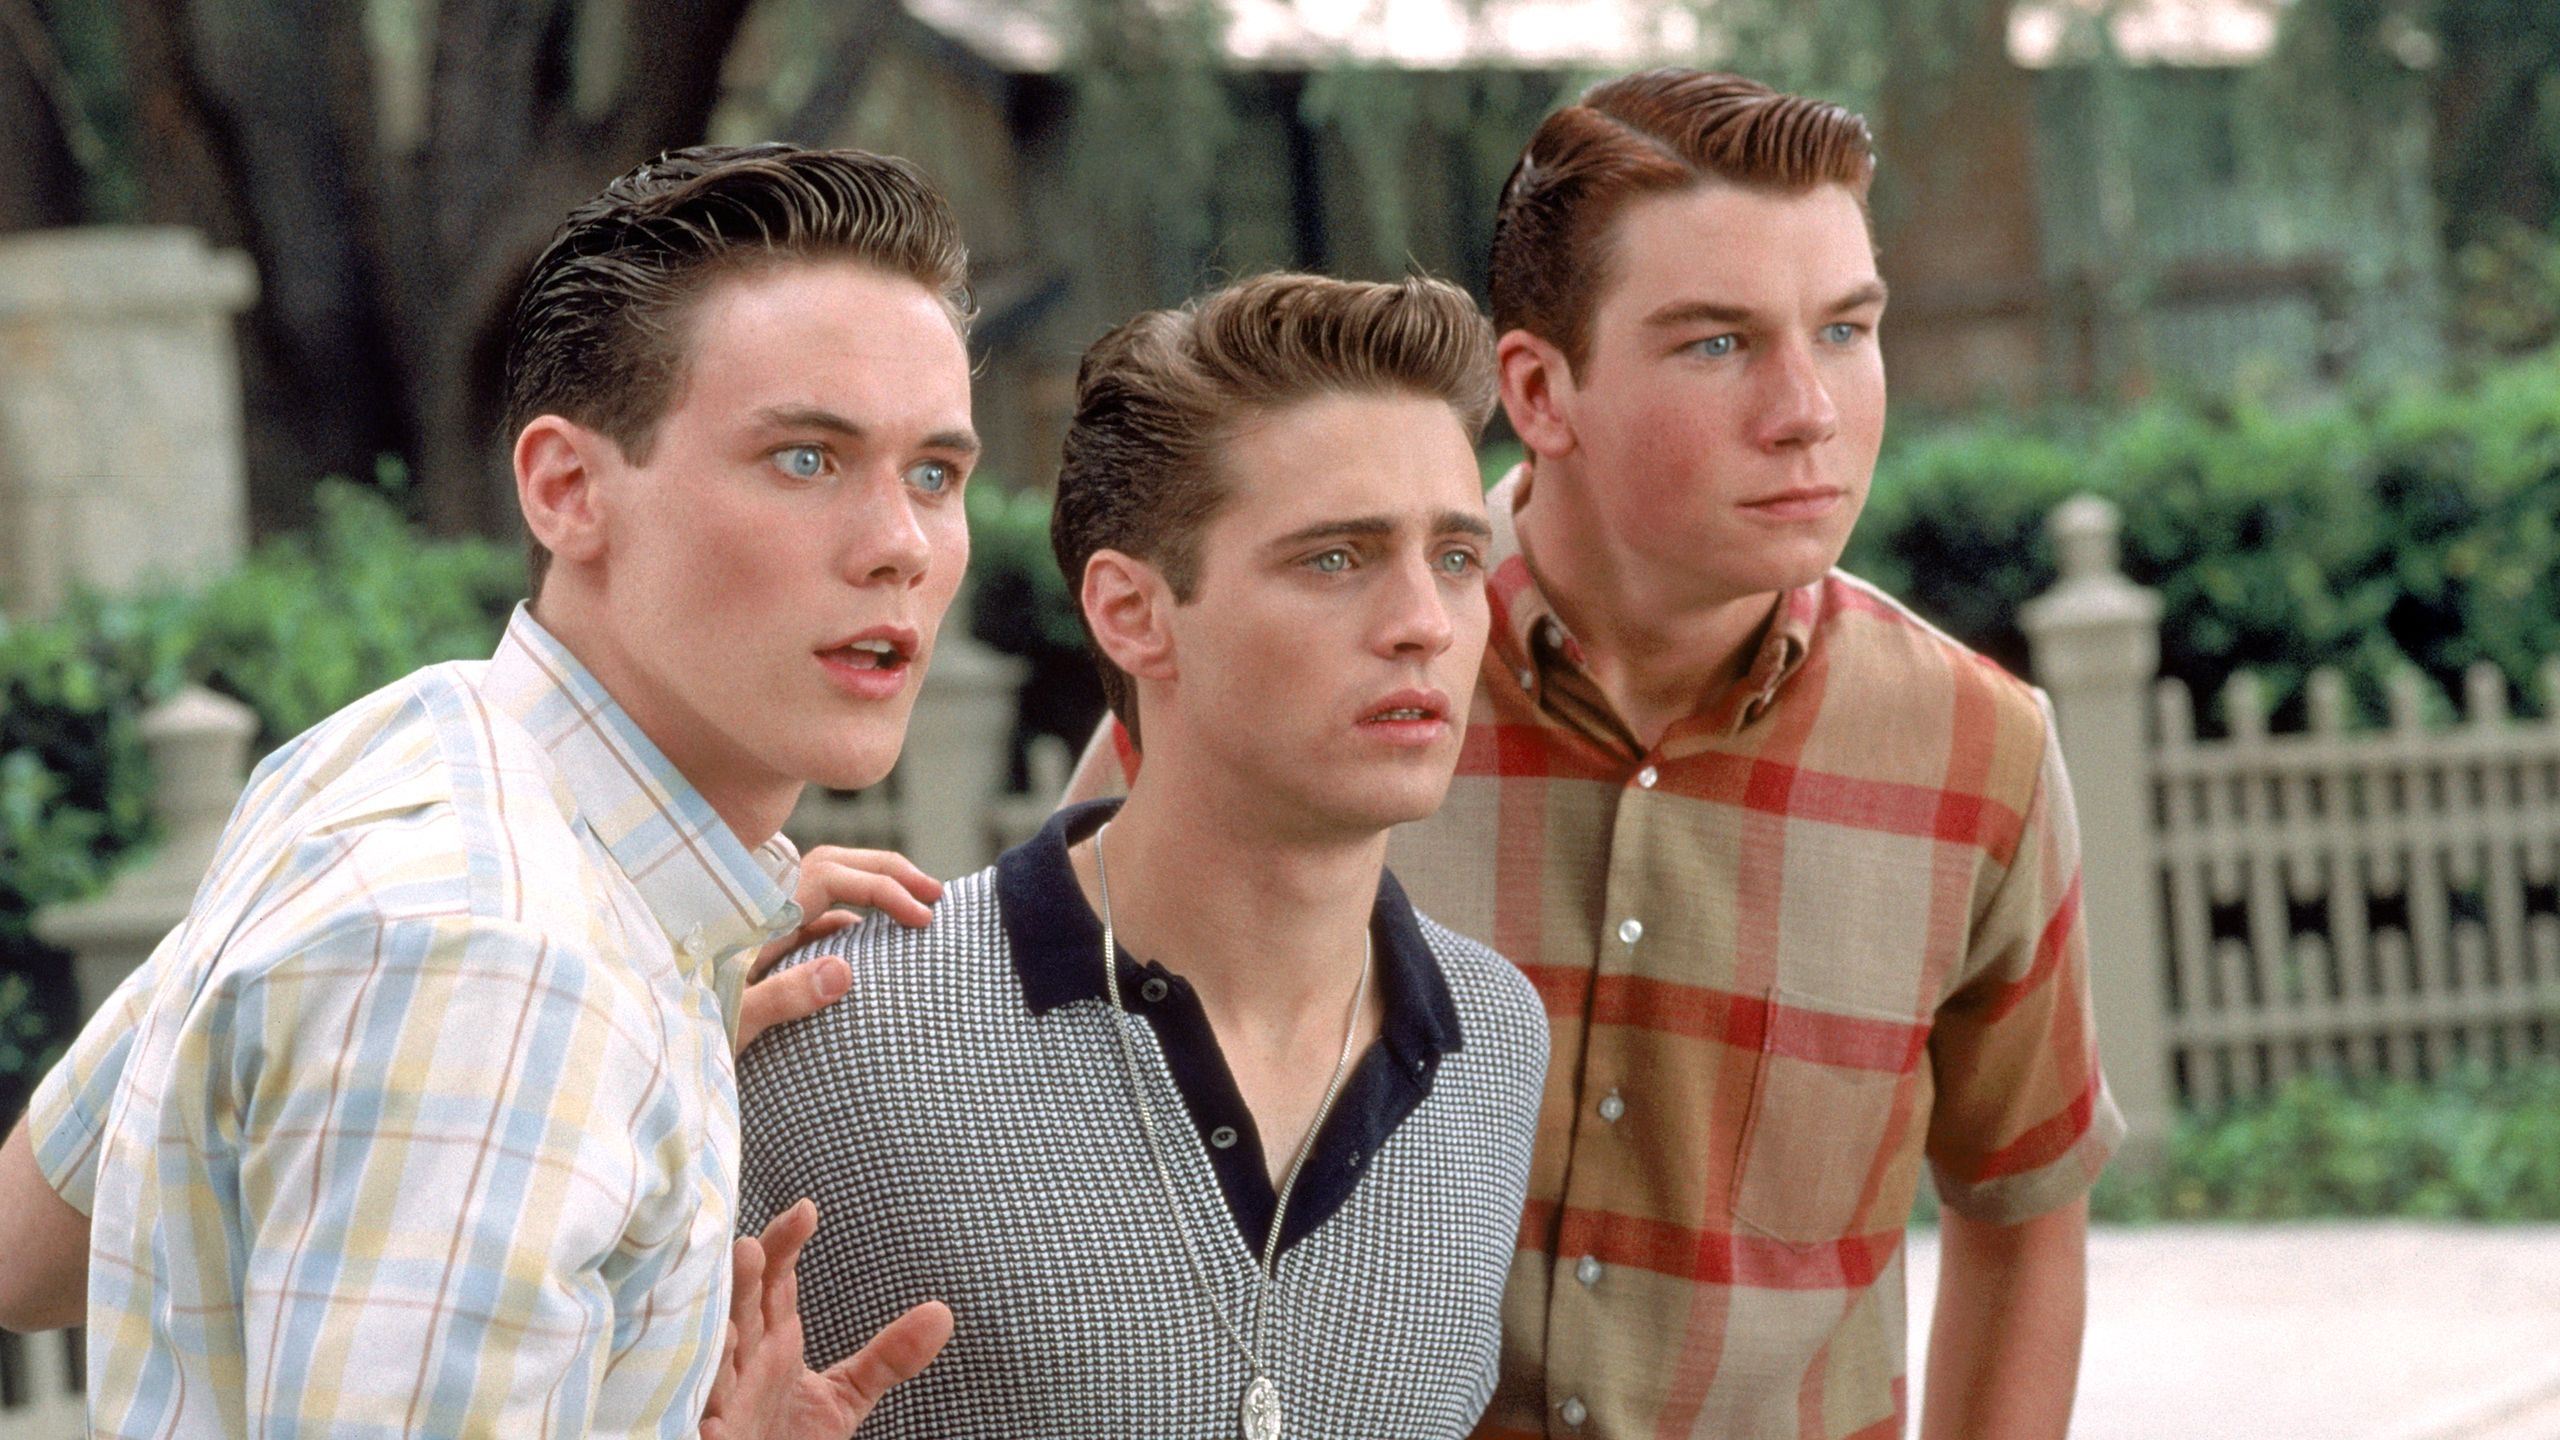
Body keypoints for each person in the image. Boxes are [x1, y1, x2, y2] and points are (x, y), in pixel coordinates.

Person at [1069, 71, 2123, 1439]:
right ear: (1539, 389)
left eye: (1846, 330)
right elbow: (1043, 1103)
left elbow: (2024, 1214)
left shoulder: (1977, 753)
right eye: (1717, 343)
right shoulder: (1275, 689)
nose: (1806, 408)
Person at [0, 143, 978, 1438]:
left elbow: (29, 1244)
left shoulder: (408, 747)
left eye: (935, 475)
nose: (901, 545)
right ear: (567, 490)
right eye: (806, 459)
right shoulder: (508, 963)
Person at [737, 272, 1550, 1437]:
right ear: (1131, 613)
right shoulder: (836, 1022)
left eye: (1458, 558)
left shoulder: (1495, 1040)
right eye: (1336, 559)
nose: (1424, 620)